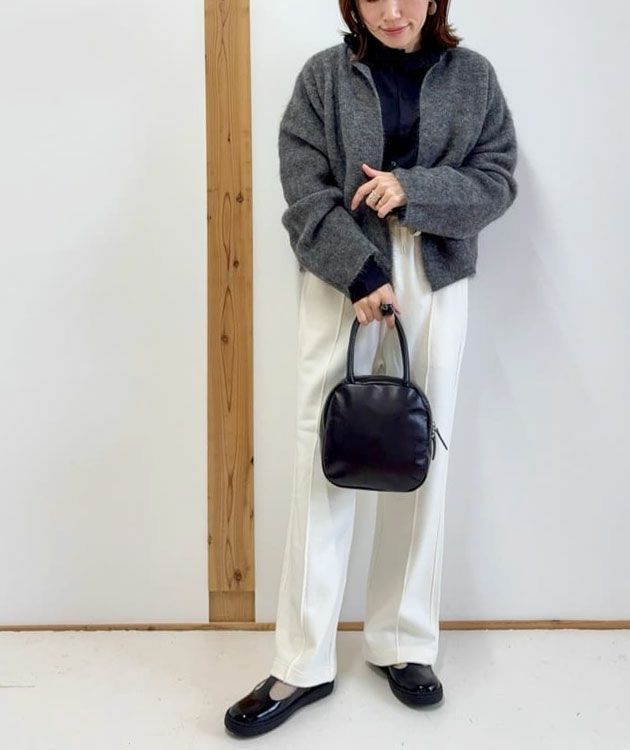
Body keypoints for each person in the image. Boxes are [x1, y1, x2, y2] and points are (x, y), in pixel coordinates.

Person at [224, 0, 517, 738]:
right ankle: (302, 661)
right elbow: (303, 185)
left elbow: (496, 180)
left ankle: (403, 641)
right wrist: (357, 271)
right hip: (340, 277)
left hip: (434, 268)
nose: (392, 10)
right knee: (321, 453)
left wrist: (414, 189)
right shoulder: (322, 78)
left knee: (421, 450)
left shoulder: (474, 77)